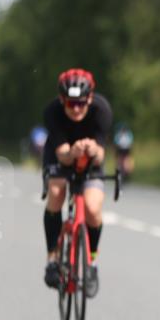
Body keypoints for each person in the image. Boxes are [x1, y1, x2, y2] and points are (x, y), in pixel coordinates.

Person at [41, 68, 111, 298]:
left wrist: (93, 150)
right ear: (62, 100)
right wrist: (72, 153)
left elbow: (100, 156)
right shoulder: (52, 112)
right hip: (60, 155)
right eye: (71, 104)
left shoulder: (101, 110)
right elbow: (62, 155)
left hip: (90, 161)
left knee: (92, 208)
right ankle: (52, 259)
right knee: (56, 192)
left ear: (89, 99)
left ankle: (91, 262)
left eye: (81, 103)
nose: (76, 109)